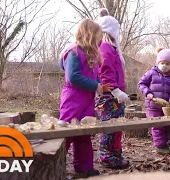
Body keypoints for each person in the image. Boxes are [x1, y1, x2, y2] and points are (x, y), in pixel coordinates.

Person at [59, 19, 110, 178]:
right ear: (89, 35)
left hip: (87, 99)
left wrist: (101, 85)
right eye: (98, 36)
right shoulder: (74, 52)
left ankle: (84, 167)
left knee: (83, 133)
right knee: (67, 133)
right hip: (73, 99)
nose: (100, 40)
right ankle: (54, 165)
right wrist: (96, 86)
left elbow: (92, 77)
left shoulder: (90, 54)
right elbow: (73, 77)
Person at [95, 12, 129, 169]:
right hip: (109, 96)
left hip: (115, 95)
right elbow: (105, 71)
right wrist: (115, 90)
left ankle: (115, 152)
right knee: (110, 126)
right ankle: (107, 155)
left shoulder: (112, 48)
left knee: (117, 126)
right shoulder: (105, 47)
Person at [138, 47, 170, 155]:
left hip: (166, 107)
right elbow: (141, 84)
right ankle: (160, 146)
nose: (165, 66)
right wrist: (148, 92)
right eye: (162, 63)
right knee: (157, 125)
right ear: (158, 63)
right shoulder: (151, 73)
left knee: (168, 125)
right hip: (152, 105)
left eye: (168, 64)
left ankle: (165, 143)